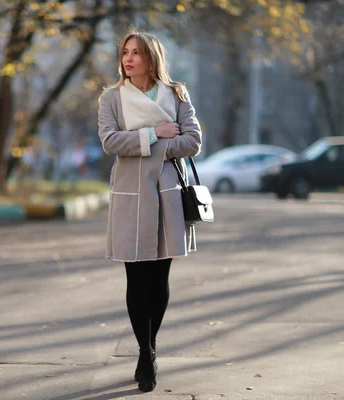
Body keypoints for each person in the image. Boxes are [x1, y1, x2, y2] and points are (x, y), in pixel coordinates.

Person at [97, 29, 202, 393]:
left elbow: (193, 141)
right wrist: (156, 134)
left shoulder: (176, 94)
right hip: (130, 195)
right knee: (135, 279)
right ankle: (145, 352)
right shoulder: (111, 99)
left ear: (151, 58)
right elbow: (111, 142)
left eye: (136, 53)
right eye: (124, 51)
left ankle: (149, 347)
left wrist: (147, 142)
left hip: (167, 194)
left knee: (159, 280)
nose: (128, 59)